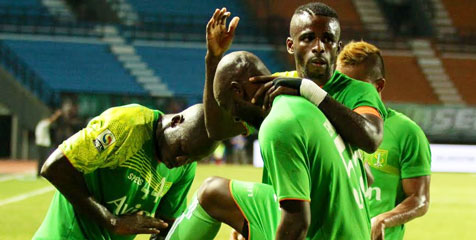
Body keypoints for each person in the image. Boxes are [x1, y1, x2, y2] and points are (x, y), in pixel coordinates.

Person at [166, 50, 371, 240]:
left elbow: (297, 222)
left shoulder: (278, 124)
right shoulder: (304, 106)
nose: (233, 116)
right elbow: (367, 177)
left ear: (237, 91)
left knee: (211, 192)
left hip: (318, 234)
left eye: (226, 105)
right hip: (350, 230)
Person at [34, 103, 218, 240]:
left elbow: (166, 225)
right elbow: (54, 167)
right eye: (181, 149)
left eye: (191, 158)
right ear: (176, 122)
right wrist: (111, 221)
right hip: (66, 235)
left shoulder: (185, 167)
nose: (180, 161)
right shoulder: (127, 125)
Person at [336, 40, 431, 240]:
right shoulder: (325, 124)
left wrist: (383, 220)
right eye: (340, 84)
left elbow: (419, 199)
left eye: (356, 87)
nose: (346, 93)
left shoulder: (407, 132)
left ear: (379, 86)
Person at [35, 109, 62, 177]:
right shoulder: (43, 124)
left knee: (41, 159)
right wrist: (57, 114)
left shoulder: (39, 124)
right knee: (44, 159)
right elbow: (51, 120)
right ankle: (42, 173)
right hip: (43, 144)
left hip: (40, 143)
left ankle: (40, 173)